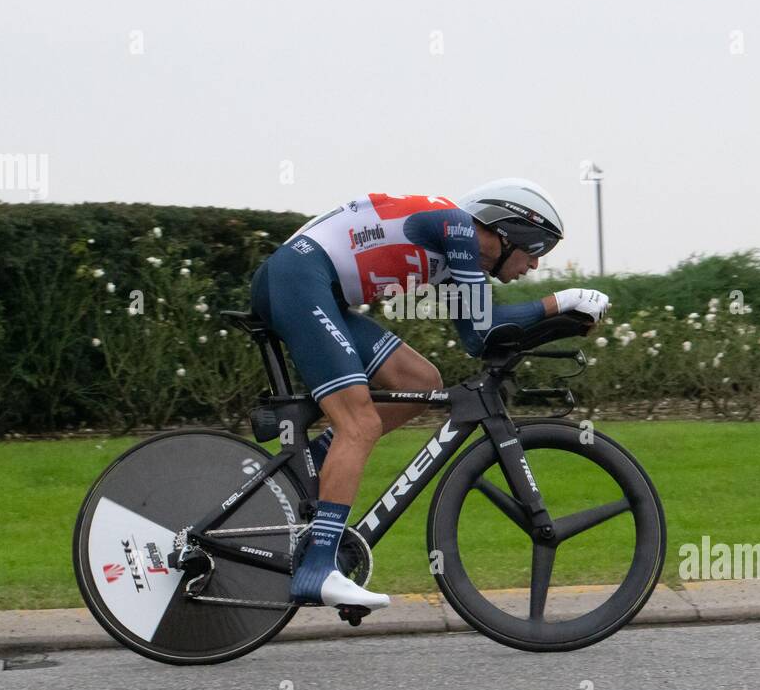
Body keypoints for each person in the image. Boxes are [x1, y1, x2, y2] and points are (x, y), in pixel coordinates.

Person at [249, 179, 610, 610]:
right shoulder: (455, 226)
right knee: (359, 424)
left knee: (421, 383)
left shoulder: (449, 249)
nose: (533, 266)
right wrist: (562, 300)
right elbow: (488, 324)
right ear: (509, 231)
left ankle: (320, 458)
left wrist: (557, 321)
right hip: (296, 279)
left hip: (311, 287)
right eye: (535, 251)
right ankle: (318, 568)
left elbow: (478, 338)